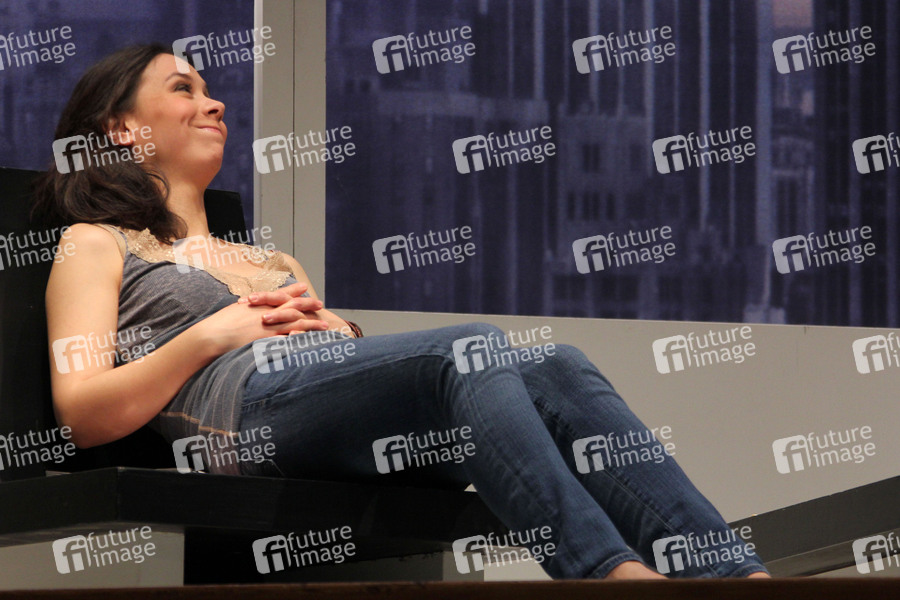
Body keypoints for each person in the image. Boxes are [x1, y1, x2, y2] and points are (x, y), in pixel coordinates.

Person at [33, 44, 769, 580]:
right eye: (183, 89)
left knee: (557, 366)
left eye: (209, 89)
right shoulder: (94, 242)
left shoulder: (271, 259)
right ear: (121, 127)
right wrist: (210, 334)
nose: (215, 103)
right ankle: (607, 572)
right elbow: (82, 409)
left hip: (322, 414)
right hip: (238, 417)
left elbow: (342, 372)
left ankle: (733, 574)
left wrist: (341, 330)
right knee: (470, 347)